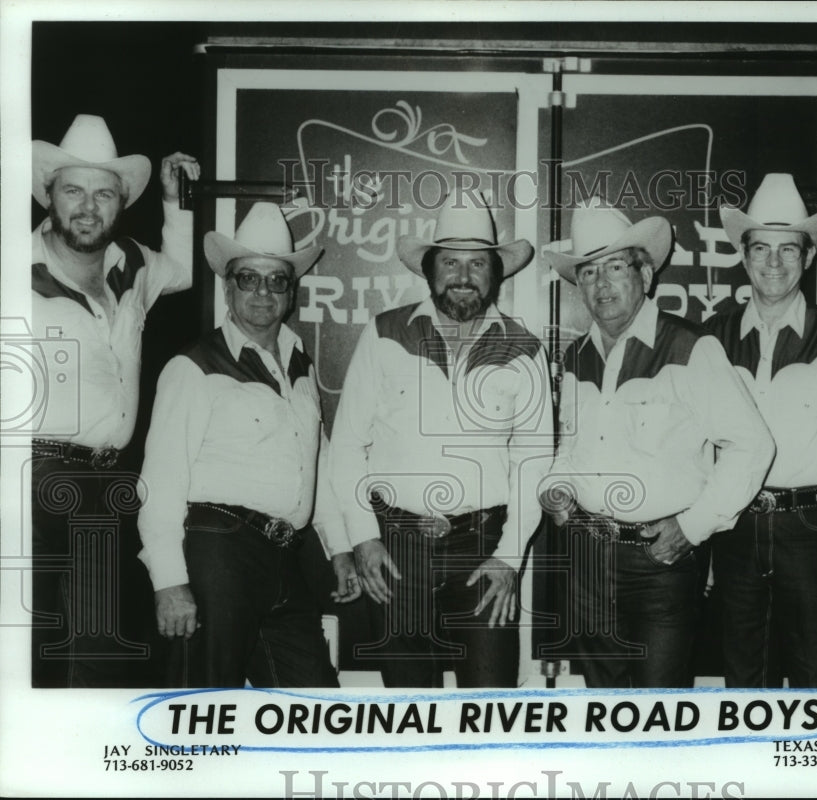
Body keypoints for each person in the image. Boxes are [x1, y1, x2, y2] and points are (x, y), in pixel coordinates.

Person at [323, 189, 553, 688]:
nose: (463, 276)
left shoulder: (524, 348)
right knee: (409, 714)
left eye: (477, 263)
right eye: (450, 262)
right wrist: (362, 537)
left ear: (496, 272)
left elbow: (536, 461)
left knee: (489, 713)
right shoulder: (384, 333)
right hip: (394, 548)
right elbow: (346, 445)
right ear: (429, 269)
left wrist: (510, 557)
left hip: (484, 551)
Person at [540, 198, 775, 688]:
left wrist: (692, 527)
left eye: (615, 267)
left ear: (644, 276)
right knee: (603, 715)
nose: (601, 284)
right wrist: (558, 486)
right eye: (588, 272)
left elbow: (753, 446)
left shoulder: (690, 347)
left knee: (659, 715)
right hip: (587, 560)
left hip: (661, 566)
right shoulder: (575, 356)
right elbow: (568, 447)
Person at [137, 202, 358, 687]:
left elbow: (314, 463)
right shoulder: (193, 366)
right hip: (218, 553)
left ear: (291, 290)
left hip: (285, 559)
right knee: (202, 703)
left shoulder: (300, 365)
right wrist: (170, 581)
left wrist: (339, 549)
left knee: (316, 705)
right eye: (248, 278)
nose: (262, 292)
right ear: (226, 285)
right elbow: (160, 481)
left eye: (276, 280)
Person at [29, 114, 200, 687]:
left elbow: (180, 271)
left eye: (103, 193)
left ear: (120, 204)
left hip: (104, 485)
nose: (87, 206)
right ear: (47, 195)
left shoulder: (132, 265)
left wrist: (177, 203)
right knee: (26, 645)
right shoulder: (11, 270)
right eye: (72, 190)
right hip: (29, 476)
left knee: (97, 652)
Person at [705, 173, 817, 688]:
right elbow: (703, 449)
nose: (773, 263)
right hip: (735, 532)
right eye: (761, 248)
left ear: (809, 256)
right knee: (742, 683)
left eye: (788, 250)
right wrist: (706, 542)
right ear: (743, 253)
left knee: (815, 682)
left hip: (812, 532)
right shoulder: (712, 336)